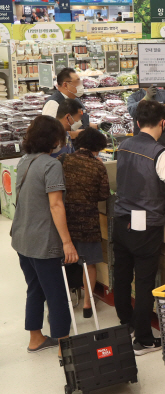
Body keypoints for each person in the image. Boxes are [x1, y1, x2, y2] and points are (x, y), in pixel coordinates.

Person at [113, 100, 165, 356]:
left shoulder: (124, 145)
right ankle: (144, 339)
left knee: (123, 275)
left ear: (137, 123)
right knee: (145, 280)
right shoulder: (161, 153)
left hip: (121, 219)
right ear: (163, 123)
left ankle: (125, 324)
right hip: (146, 224)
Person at [11, 115, 77, 356]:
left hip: (22, 238)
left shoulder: (24, 161)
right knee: (57, 293)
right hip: (43, 241)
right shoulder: (51, 165)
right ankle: (64, 346)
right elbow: (56, 205)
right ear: (54, 139)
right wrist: (67, 243)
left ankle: (36, 338)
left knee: (35, 288)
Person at [59, 128, 109, 319]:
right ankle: (88, 304)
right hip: (88, 221)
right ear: (97, 148)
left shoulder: (63, 160)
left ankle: (65, 301)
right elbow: (104, 194)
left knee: (63, 262)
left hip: (65, 219)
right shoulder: (97, 166)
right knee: (89, 264)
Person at [42, 68, 99, 140]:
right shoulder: (53, 103)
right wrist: (82, 134)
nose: (81, 85)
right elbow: (51, 132)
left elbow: (82, 123)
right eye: (77, 82)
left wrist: (98, 126)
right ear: (65, 85)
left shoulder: (75, 99)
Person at [128, 71, 165, 151]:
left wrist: (151, 114)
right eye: (146, 73)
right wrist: (145, 98)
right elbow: (132, 112)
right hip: (141, 143)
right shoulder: (134, 97)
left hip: (164, 141)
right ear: (138, 76)